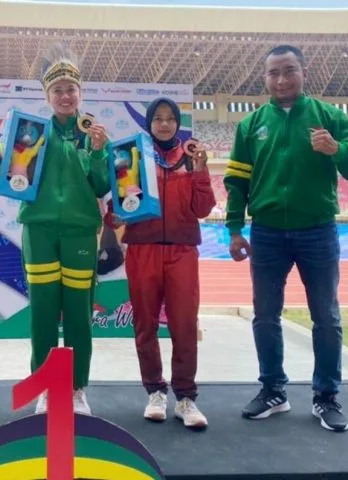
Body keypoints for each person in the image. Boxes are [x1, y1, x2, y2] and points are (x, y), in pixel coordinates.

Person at [223, 45, 348, 432]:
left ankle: (326, 397)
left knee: (326, 317)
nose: (281, 80)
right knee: (265, 315)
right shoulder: (250, 124)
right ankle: (273, 390)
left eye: (289, 70)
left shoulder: (329, 116)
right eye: (273, 73)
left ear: (304, 72)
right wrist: (235, 229)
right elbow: (236, 181)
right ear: (265, 78)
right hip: (267, 231)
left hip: (317, 230)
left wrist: (337, 149)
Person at [0, 44, 110, 415]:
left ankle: (76, 388)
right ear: (48, 96)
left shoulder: (94, 135)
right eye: (58, 90)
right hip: (39, 231)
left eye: (71, 89)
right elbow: (0, 157)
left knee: (79, 314)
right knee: (43, 313)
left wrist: (98, 152)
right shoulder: (31, 133)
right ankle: (48, 388)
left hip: (81, 232)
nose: (65, 96)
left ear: (80, 93)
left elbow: (102, 186)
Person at [105, 98, 216, 429]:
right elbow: (116, 212)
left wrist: (200, 171)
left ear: (177, 123)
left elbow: (203, 209)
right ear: (149, 123)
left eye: (170, 119)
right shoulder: (132, 157)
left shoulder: (192, 157)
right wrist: (116, 214)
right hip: (143, 250)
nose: (164, 124)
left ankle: (185, 398)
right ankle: (155, 392)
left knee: (184, 325)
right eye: (158, 119)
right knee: (145, 325)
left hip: (182, 251)